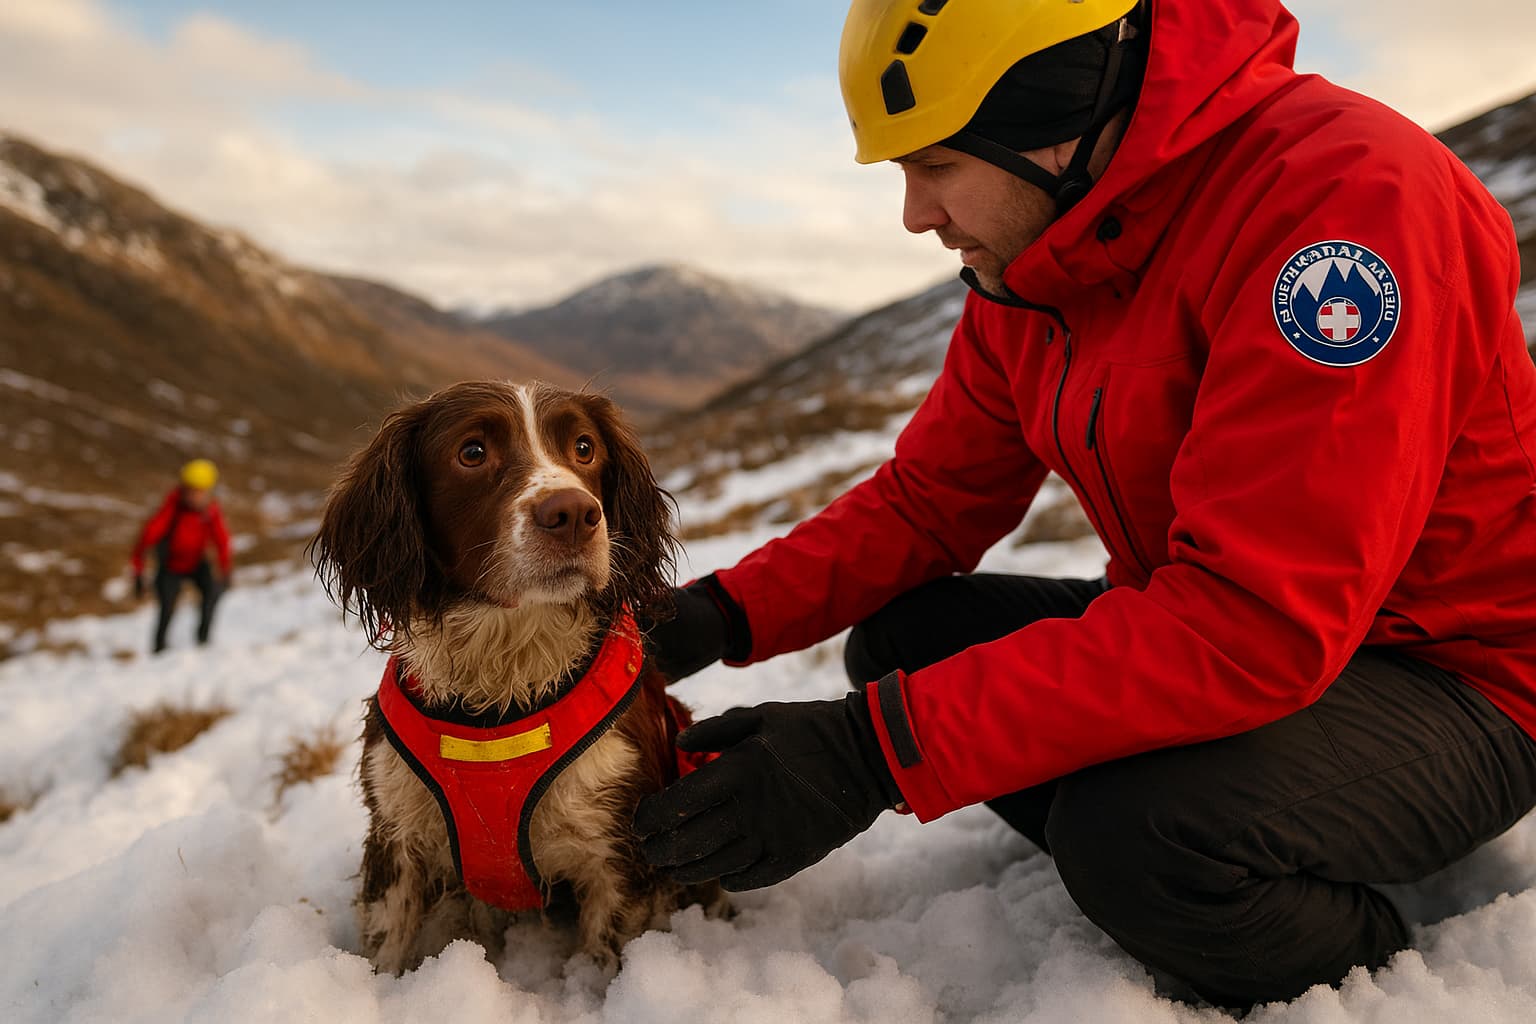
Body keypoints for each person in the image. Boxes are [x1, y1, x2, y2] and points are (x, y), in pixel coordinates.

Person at [634, 0, 1536, 1010]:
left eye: (934, 164)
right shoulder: (1039, 258)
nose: (915, 214)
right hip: (1229, 628)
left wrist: (865, 755)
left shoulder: (1344, 208)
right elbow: (932, 500)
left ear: (1052, 113)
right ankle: (1204, 818)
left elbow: (1255, 619)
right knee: (908, 643)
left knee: (1134, 836)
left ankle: (1367, 944)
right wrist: (705, 617)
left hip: (1458, 674)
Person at [130, 459, 233, 653]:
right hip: (171, 566)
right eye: (192, 491)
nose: (196, 497)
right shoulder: (172, 508)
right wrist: (138, 573)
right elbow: (147, 538)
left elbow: (222, 541)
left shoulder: (210, 511)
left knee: (212, 593)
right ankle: (159, 650)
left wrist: (226, 570)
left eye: (201, 492)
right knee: (167, 608)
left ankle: (203, 642)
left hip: (196, 563)